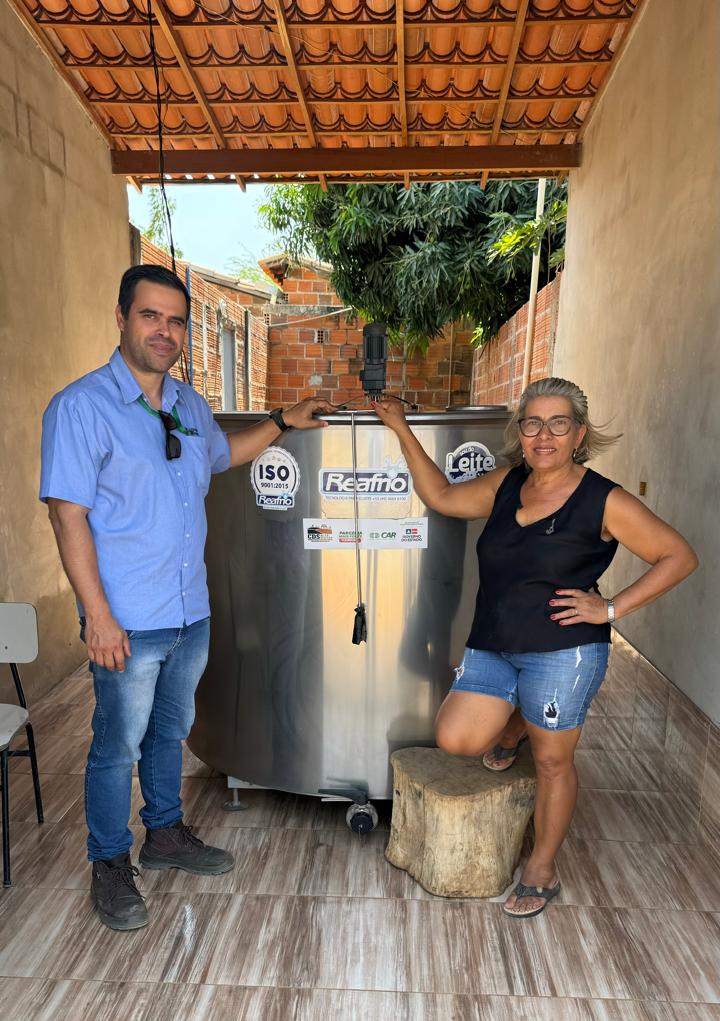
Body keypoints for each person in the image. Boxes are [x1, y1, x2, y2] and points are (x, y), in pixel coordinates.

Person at [40, 264, 333, 931]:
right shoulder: (81, 407)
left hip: (188, 612)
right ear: (122, 317)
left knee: (170, 732)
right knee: (117, 745)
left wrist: (282, 420)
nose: (164, 331)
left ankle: (165, 833)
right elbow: (67, 515)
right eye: (150, 316)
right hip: (126, 619)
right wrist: (98, 617)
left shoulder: (187, 404)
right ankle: (109, 862)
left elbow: (222, 455)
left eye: (176, 321)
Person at [372, 378, 698, 918]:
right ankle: (518, 723)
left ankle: (543, 868)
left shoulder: (604, 500)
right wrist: (401, 428)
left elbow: (678, 556)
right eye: (532, 423)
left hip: (563, 651)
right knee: (456, 737)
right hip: (494, 641)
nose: (544, 435)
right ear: (519, 431)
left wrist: (610, 609)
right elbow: (443, 497)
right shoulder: (507, 484)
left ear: (579, 434)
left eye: (558, 424)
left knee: (552, 761)